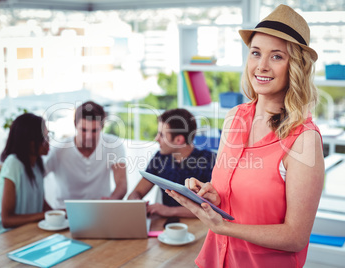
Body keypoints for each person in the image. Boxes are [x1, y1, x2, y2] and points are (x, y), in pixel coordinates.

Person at [167, 5, 325, 267]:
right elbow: (233, 194)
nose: (261, 66)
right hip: (215, 260)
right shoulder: (235, 117)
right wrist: (212, 197)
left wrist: (224, 228)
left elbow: (296, 237)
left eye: (276, 56)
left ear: (296, 66)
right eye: (255, 53)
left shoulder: (303, 139)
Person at [128, 108, 216, 217]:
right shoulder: (160, 158)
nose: (156, 138)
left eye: (162, 135)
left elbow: (213, 207)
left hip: (200, 226)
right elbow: (136, 192)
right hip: (166, 227)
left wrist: (169, 211)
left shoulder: (209, 160)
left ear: (179, 140)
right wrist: (136, 202)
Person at [0, 113, 52, 241]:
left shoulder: (37, 164)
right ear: (30, 142)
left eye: (48, 136)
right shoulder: (13, 163)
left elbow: (40, 202)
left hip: (24, 235)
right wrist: (45, 215)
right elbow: (7, 220)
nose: (48, 142)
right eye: (43, 138)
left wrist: (60, 213)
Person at [45, 101, 127, 209]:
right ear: (75, 124)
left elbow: (122, 183)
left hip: (101, 211)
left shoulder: (113, 145)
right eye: (83, 130)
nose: (88, 136)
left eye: (94, 130)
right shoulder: (58, 150)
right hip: (65, 213)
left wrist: (112, 200)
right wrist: (49, 212)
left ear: (102, 126)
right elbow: (33, 180)